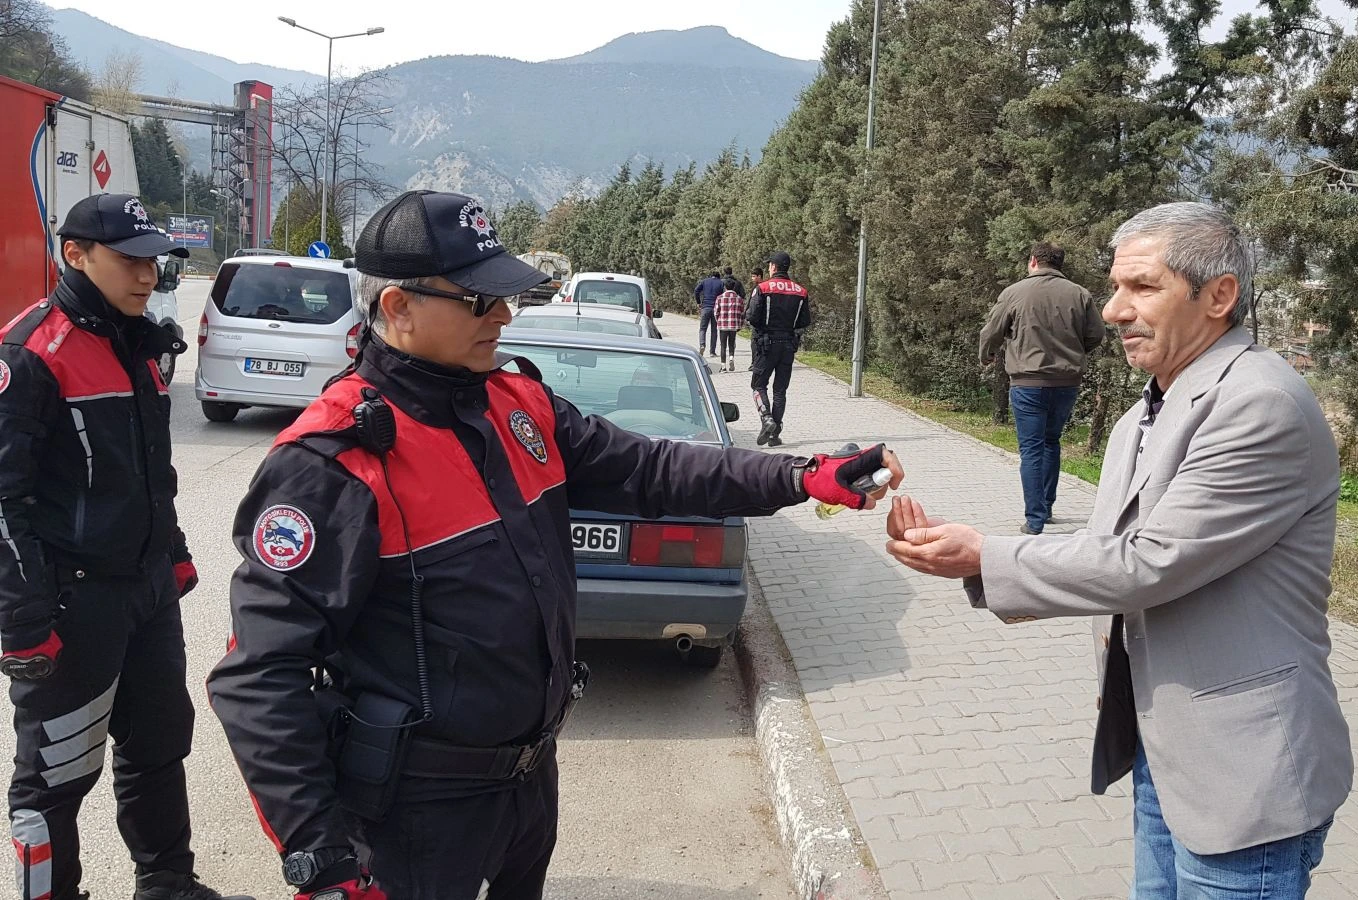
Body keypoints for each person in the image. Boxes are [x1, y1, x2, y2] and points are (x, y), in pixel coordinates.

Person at [206, 191, 903, 900]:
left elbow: (653, 469)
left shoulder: (517, 403)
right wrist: (322, 863)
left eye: (505, 296)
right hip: (413, 815)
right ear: (398, 308)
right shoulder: (334, 464)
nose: (504, 316)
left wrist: (802, 476)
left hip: (526, 789)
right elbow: (258, 676)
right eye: (480, 301)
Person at [885, 202, 1351, 900]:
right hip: (1168, 753)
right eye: (1114, 287)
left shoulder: (1260, 405)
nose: (1111, 310)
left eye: (1141, 287)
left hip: (1243, 781)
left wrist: (986, 556)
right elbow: (1110, 553)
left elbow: (1149, 561)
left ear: (1218, 296)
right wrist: (984, 559)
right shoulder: (1146, 412)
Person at [0, 194, 252, 900]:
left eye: (155, 261)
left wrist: (170, 553)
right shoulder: (30, 355)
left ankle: (167, 883)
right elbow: (3, 500)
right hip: (72, 601)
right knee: (54, 775)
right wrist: (22, 620)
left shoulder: (138, 343)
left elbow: (153, 470)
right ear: (74, 255)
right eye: (131, 260)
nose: (148, 275)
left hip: (145, 592)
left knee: (159, 744)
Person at [979, 242, 1104, 534]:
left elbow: (992, 331)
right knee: (1051, 441)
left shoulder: (1014, 292)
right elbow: (1096, 334)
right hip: (1067, 382)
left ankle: (1034, 520)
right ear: (1059, 264)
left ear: (1033, 260)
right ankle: (1046, 508)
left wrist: (987, 354)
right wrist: (1075, 351)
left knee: (1032, 449)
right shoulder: (1079, 294)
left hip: (1028, 383)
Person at [747, 251, 811, 447]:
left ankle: (766, 418)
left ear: (773, 267)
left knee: (758, 385)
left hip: (766, 345)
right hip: (788, 345)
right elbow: (804, 321)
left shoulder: (762, 288)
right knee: (780, 390)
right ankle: (775, 434)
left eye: (769, 265)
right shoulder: (801, 292)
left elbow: (751, 316)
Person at [714, 275, 746, 372]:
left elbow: (716, 312)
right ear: (734, 287)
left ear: (725, 287)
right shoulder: (739, 298)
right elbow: (742, 313)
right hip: (734, 325)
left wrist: (718, 321)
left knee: (723, 345)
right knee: (732, 343)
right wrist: (740, 325)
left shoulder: (719, 298)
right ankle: (731, 357)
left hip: (723, 325)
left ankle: (723, 366)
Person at [692, 270, 723, 354]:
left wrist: (698, 302)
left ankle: (702, 344)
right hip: (716, 308)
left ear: (711, 276)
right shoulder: (721, 283)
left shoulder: (704, 281)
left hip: (705, 307)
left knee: (702, 328)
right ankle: (712, 351)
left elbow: (696, 291)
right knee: (714, 330)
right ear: (718, 276)